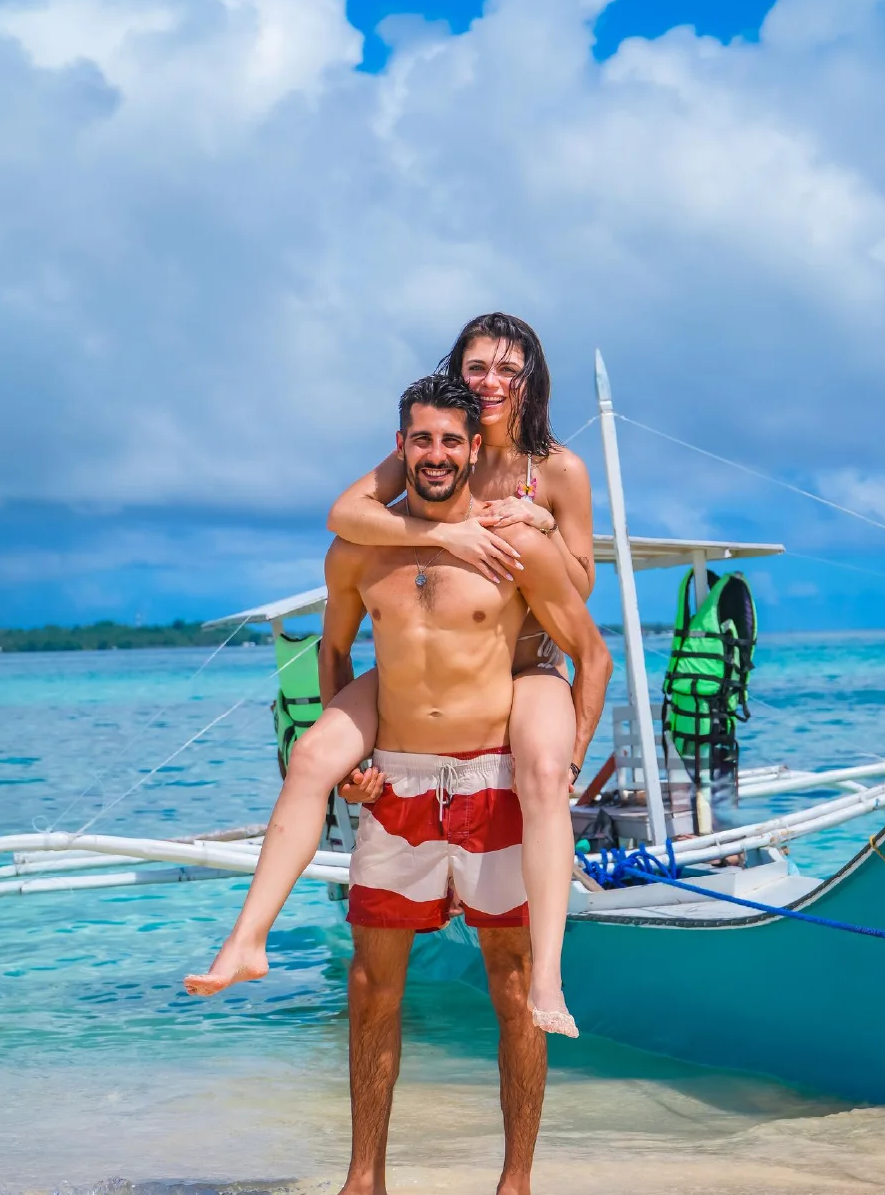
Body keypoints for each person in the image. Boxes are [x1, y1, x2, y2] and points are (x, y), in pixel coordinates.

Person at [189, 376, 611, 1195]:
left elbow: (588, 649)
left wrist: (562, 762)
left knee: (514, 983)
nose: (438, 455)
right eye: (423, 440)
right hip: (400, 786)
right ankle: (363, 1180)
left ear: (473, 449)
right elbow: (337, 655)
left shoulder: (512, 546)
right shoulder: (358, 550)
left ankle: (515, 1183)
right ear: (400, 448)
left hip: (491, 778)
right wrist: (354, 761)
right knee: (372, 984)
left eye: (453, 441)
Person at [328, 312, 596, 1030]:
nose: (492, 382)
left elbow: (580, 590)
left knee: (543, 777)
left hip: (525, 664)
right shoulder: (443, 446)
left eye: (510, 370)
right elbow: (348, 515)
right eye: (479, 367)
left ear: (531, 380)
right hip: (438, 677)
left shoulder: (559, 470)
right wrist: (448, 530)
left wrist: (534, 525)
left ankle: (550, 974)